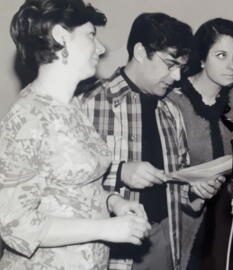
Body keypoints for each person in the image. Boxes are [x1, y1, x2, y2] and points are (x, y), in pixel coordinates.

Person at [0, 0, 151, 269]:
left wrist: (111, 200)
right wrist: (104, 229)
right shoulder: (27, 117)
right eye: (91, 34)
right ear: (60, 36)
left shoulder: (73, 106)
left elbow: (74, 187)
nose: (101, 47)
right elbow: (15, 224)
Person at [81, 12, 224, 270]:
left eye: (182, 67)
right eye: (170, 64)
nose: (177, 76)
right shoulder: (89, 103)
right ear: (139, 51)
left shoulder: (171, 111)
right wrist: (120, 171)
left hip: (163, 241)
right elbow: (63, 183)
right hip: (105, 247)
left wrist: (195, 188)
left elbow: (178, 184)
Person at [167, 18, 233, 270]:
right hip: (184, 219)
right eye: (221, 55)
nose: (232, 66)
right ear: (201, 58)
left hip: (230, 217)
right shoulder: (173, 102)